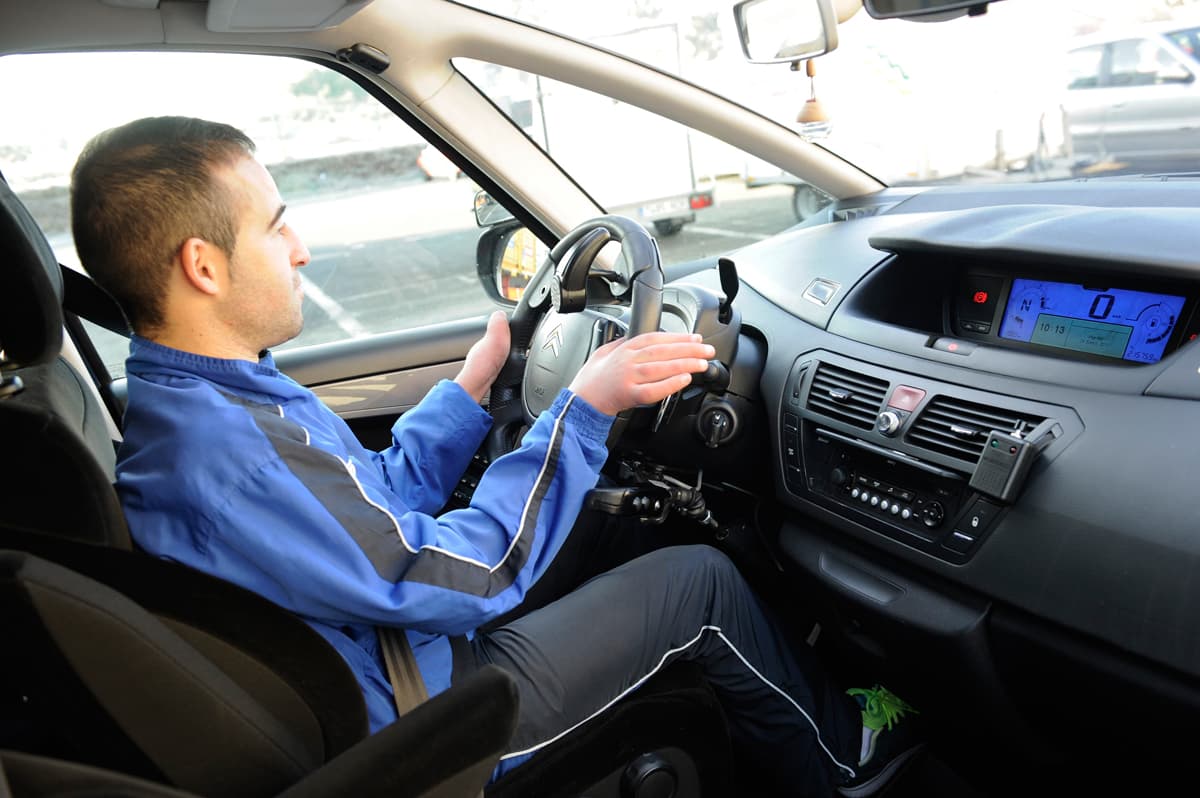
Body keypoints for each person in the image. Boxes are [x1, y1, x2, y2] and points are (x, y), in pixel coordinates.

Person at [70, 115, 920, 797]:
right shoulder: (231, 452)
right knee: (698, 584)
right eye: (277, 225)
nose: (300, 250)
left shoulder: (216, 399)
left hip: (389, 646)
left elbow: (374, 504)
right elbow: (458, 577)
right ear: (203, 267)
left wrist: (473, 390)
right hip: (425, 715)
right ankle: (853, 759)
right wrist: (581, 412)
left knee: (615, 532)